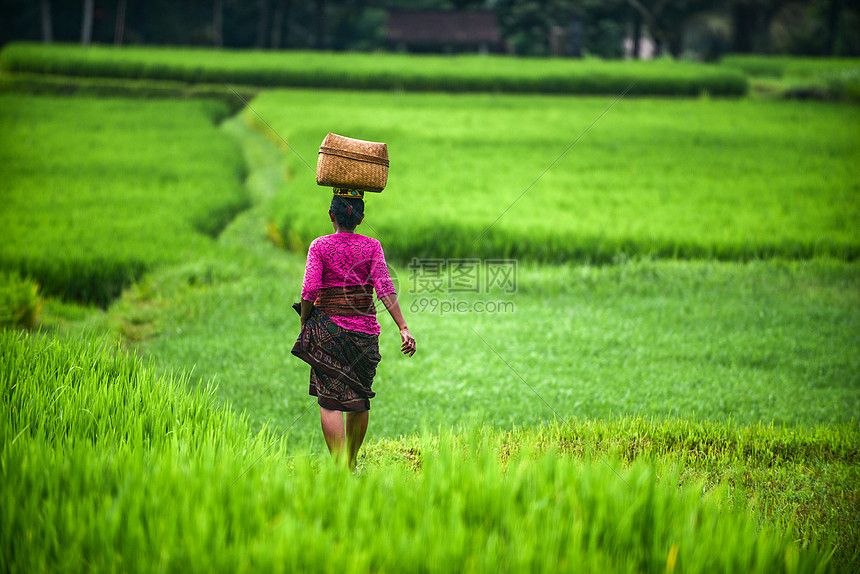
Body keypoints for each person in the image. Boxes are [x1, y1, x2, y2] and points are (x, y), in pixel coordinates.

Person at [291, 188, 416, 471]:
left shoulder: (319, 246)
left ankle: (340, 469)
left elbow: (309, 291)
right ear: (360, 219)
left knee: (330, 400)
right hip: (364, 335)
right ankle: (350, 463)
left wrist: (305, 323)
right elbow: (385, 287)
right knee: (359, 399)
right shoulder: (372, 247)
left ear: (330, 215)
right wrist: (403, 327)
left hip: (328, 332)